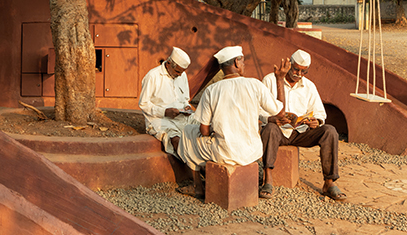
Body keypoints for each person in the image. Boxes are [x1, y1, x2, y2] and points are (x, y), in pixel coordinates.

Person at [177, 46, 287, 198]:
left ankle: (198, 186)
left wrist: (213, 129)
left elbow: (204, 131)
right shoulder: (255, 85)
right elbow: (280, 112)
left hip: (225, 152)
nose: (244, 65)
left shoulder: (211, 90)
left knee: (188, 132)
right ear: (236, 62)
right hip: (252, 152)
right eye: (243, 62)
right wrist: (280, 79)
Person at [259, 49, 346, 201]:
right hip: (278, 131)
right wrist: (272, 119)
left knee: (330, 131)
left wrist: (316, 121)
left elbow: (319, 112)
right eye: (296, 69)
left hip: (300, 132)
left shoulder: (309, 86)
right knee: (270, 129)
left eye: (303, 71)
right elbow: (258, 109)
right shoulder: (270, 80)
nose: (298, 74)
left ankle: (329, 182)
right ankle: (268, 179)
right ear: (289, 64)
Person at [138, 47, 193, 158]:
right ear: (168, 64)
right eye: (177, 71)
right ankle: (195, 169)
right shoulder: (153, 76)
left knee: (203, 127)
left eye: (182, 72)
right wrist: (164, 112)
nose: (179, 75)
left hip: (181, 117)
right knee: (176, 139)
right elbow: (143, 104)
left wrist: (186, 107)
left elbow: (185, 99)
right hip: (159, 119)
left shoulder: (182, 75)